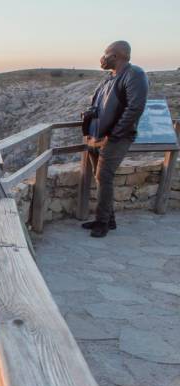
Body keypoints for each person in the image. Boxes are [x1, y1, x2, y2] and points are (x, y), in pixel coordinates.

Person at [82, 40, 148, 238]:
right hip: (97, 136)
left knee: (104, 176)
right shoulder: (109, 78)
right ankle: (108, 220)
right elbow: (101, 106)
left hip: (115, 138)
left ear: (117, 56)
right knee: (101, 177)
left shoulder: (135, 74)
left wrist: (114, 134)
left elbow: (135, 108)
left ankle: (102, 222)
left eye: (106, 54)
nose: (102, 58)